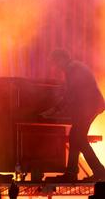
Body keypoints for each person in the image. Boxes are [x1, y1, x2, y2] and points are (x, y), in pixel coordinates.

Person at [42, 49, 105, 182]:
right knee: (75, 137)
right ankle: (73, 172)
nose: (55, 67)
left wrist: (55, 109)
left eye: (55, 62)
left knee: (78, 138)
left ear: (61, 59)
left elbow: (71, 93)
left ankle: (98, 172)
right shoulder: (75, 67)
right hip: (90, 106)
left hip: (89, 107)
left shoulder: (72, 69)